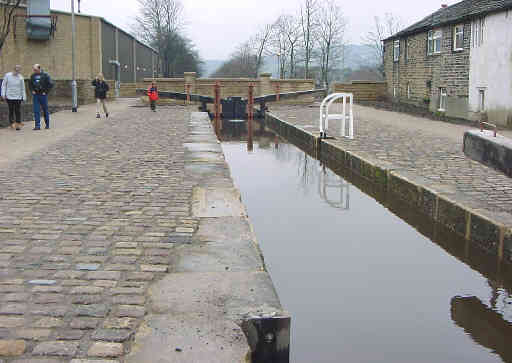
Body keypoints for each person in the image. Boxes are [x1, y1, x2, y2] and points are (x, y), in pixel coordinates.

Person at [1, 65, 27, 131]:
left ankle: (18, 124)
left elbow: (23, 88)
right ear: (13, 70)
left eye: (18, 71)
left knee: (17, 110)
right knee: (11, 110)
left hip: (18, 96)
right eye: (16, 70)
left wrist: (24, 97)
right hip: (9, 96)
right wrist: (3, 94)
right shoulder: (7, 75)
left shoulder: (21, 77)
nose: (17, 72)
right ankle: (12, 123)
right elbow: (3, 85)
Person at [29, 64, 53, 130]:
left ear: (39, 69)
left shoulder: (45, 75)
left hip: (43, 95)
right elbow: (30, 84)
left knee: (45, 110)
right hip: (36, 95)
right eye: (34, 70)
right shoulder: (32, 76)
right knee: (36, 110)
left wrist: (46, 92)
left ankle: (47, 124)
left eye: (35, 70)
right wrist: (32, 90)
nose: (34, 71)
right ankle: (37, 126)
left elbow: (51, 84)